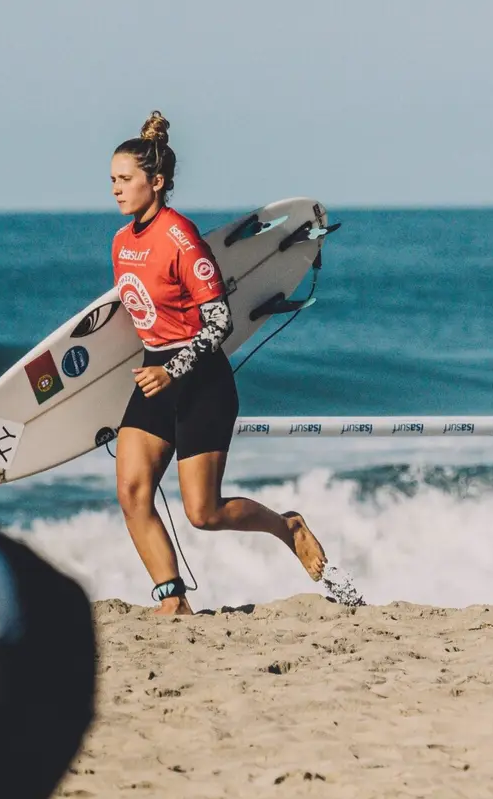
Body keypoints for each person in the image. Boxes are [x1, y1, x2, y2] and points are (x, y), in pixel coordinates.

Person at [109, 111, 329, 615]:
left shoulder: (181, 238)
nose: (117, 191)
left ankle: (287, 526)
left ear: (156, 182)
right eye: (113, 181)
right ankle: (173, 600)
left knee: (203, 513)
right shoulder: (122, 243)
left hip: (199, 383)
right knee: (133, 492)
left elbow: (217, 322)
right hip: (153, 377)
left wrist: (171, 370)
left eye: (126, 180)